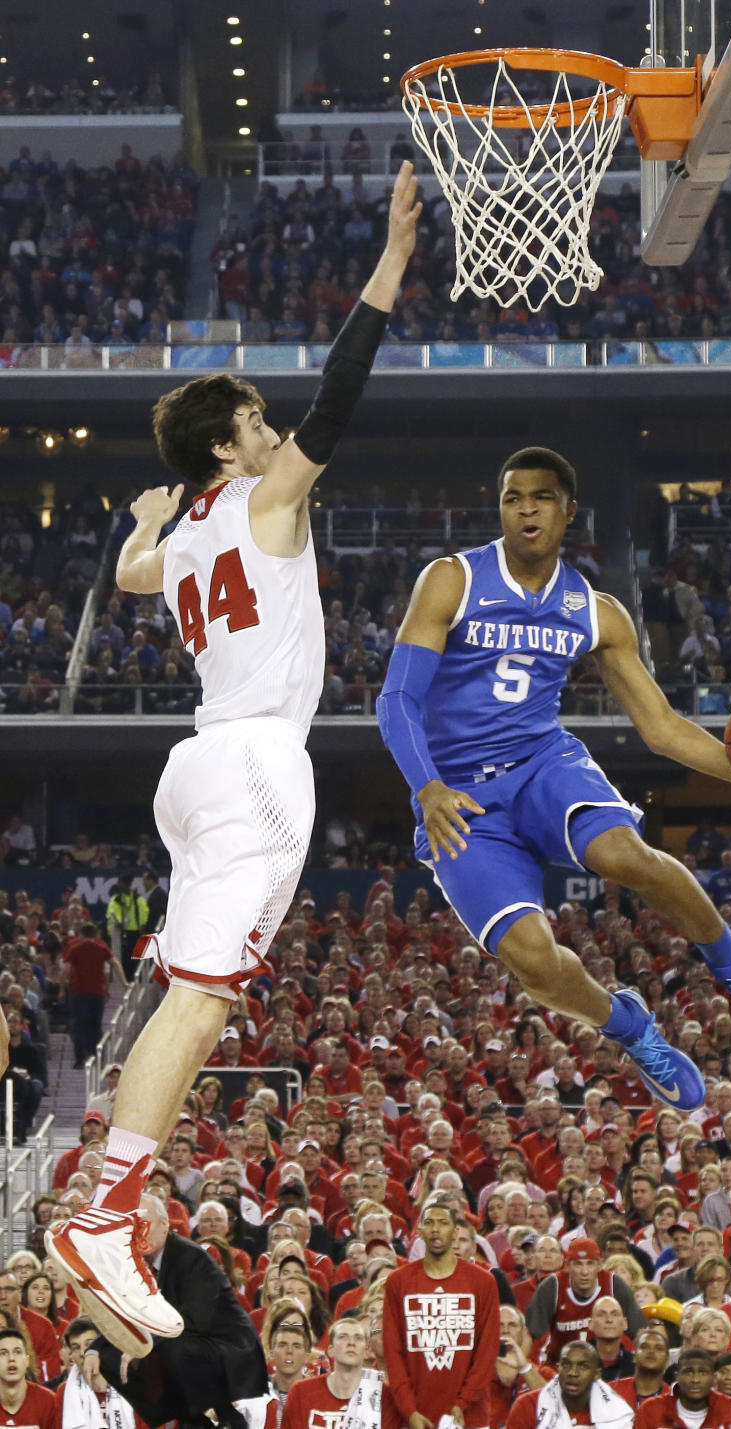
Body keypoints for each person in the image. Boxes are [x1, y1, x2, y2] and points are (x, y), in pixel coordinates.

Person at [45, 164, 422, 1359]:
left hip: (201, 762)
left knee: (196, 998)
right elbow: (342, 394)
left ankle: (105, 1211)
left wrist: (149, 526)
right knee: (204, 999)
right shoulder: (262, 504)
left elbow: (128, 577)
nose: (275, 433)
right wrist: (393, 264)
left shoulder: (193, 529)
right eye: (257, 424)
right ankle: (103, 1214)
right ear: (230, 439)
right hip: (257, 763)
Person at [376, 448, 731, 1112]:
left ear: (568, 511)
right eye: (513, 496)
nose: (526, 508)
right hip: (458, 795)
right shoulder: (452, 580)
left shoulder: (597, 611)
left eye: (542, 496)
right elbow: (396, 700)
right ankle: (632, 1028)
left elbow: (662, 727)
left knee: (622, 853)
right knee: (532, 960)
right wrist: (427, 787)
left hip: (541, 764)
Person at [82, 1193, 270, 1429]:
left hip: (227, 1347)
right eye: (133, 1224)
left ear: (165, 1225)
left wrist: (144, 1344)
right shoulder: (135, 1265)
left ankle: (222, 1416)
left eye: (145, 1222)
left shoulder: (192, 1258)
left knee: (172, 1349)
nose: (139, 1230)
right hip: (184, 1342)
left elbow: (192, 1319)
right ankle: (177, 1416)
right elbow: (127, 1318)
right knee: (110, 1356)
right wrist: (94, 1350)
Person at [382, 1197, 499, 1429]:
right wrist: (409, 1410)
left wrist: (463, 1403)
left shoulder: (483, 1282)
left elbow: (487, 1351)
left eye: (443, 1223)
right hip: (415, 1417)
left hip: (470, 1417)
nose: (436, 1229)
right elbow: (393, 1353)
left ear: (455, 1232)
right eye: (429, 1222)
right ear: (420, 1231)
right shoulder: (398, 1281)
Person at [524, 1237, 643, 1365]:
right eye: (578, 1264)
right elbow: (529, 1334)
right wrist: (522, 1369)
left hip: (604, 1367)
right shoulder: (553, 1286)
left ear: (599, 1265)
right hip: (558, 1365)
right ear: (568, 1266)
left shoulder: (615, 1285)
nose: (584, 1272)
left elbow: (639, 1332)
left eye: (590, 1263)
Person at [505, 1341, 632, 1429]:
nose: (572, 1373)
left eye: (583, 1366)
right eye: (566, 1365)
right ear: (558, 1368)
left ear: (596, 1374)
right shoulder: (528, 1406)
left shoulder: (616, 1410)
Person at [280, 1319, 379, 1429]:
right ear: (330, 1350)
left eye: (358, 1338)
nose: (351, 1343)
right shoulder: (301, 1392)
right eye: (343, 1337)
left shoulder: (381, 1394)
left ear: (366, 1351)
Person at [61, 922, 129, 1070]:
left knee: (78, 1025)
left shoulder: (75, 948)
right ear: (96, 934)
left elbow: (66, 969)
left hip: (78, 992)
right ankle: (96, 1057)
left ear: (82, 934)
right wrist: (124, 982)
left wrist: (61, 988)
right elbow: (115, 963)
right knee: (95, 1025)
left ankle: (80, 1059)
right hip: (97, 992)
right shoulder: (102, 947)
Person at [636, 1347, 731, 1429]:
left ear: (714, 1377)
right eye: (688, 1372)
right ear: (677, 1377)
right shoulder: (650, 1410)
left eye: (703, 1373)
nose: (695, 1380)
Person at [0, 1326, 57, 1429]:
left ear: (27, 1361)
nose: (11, 1358)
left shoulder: (48, 1401)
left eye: (17, 1352)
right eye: (3, 1353)